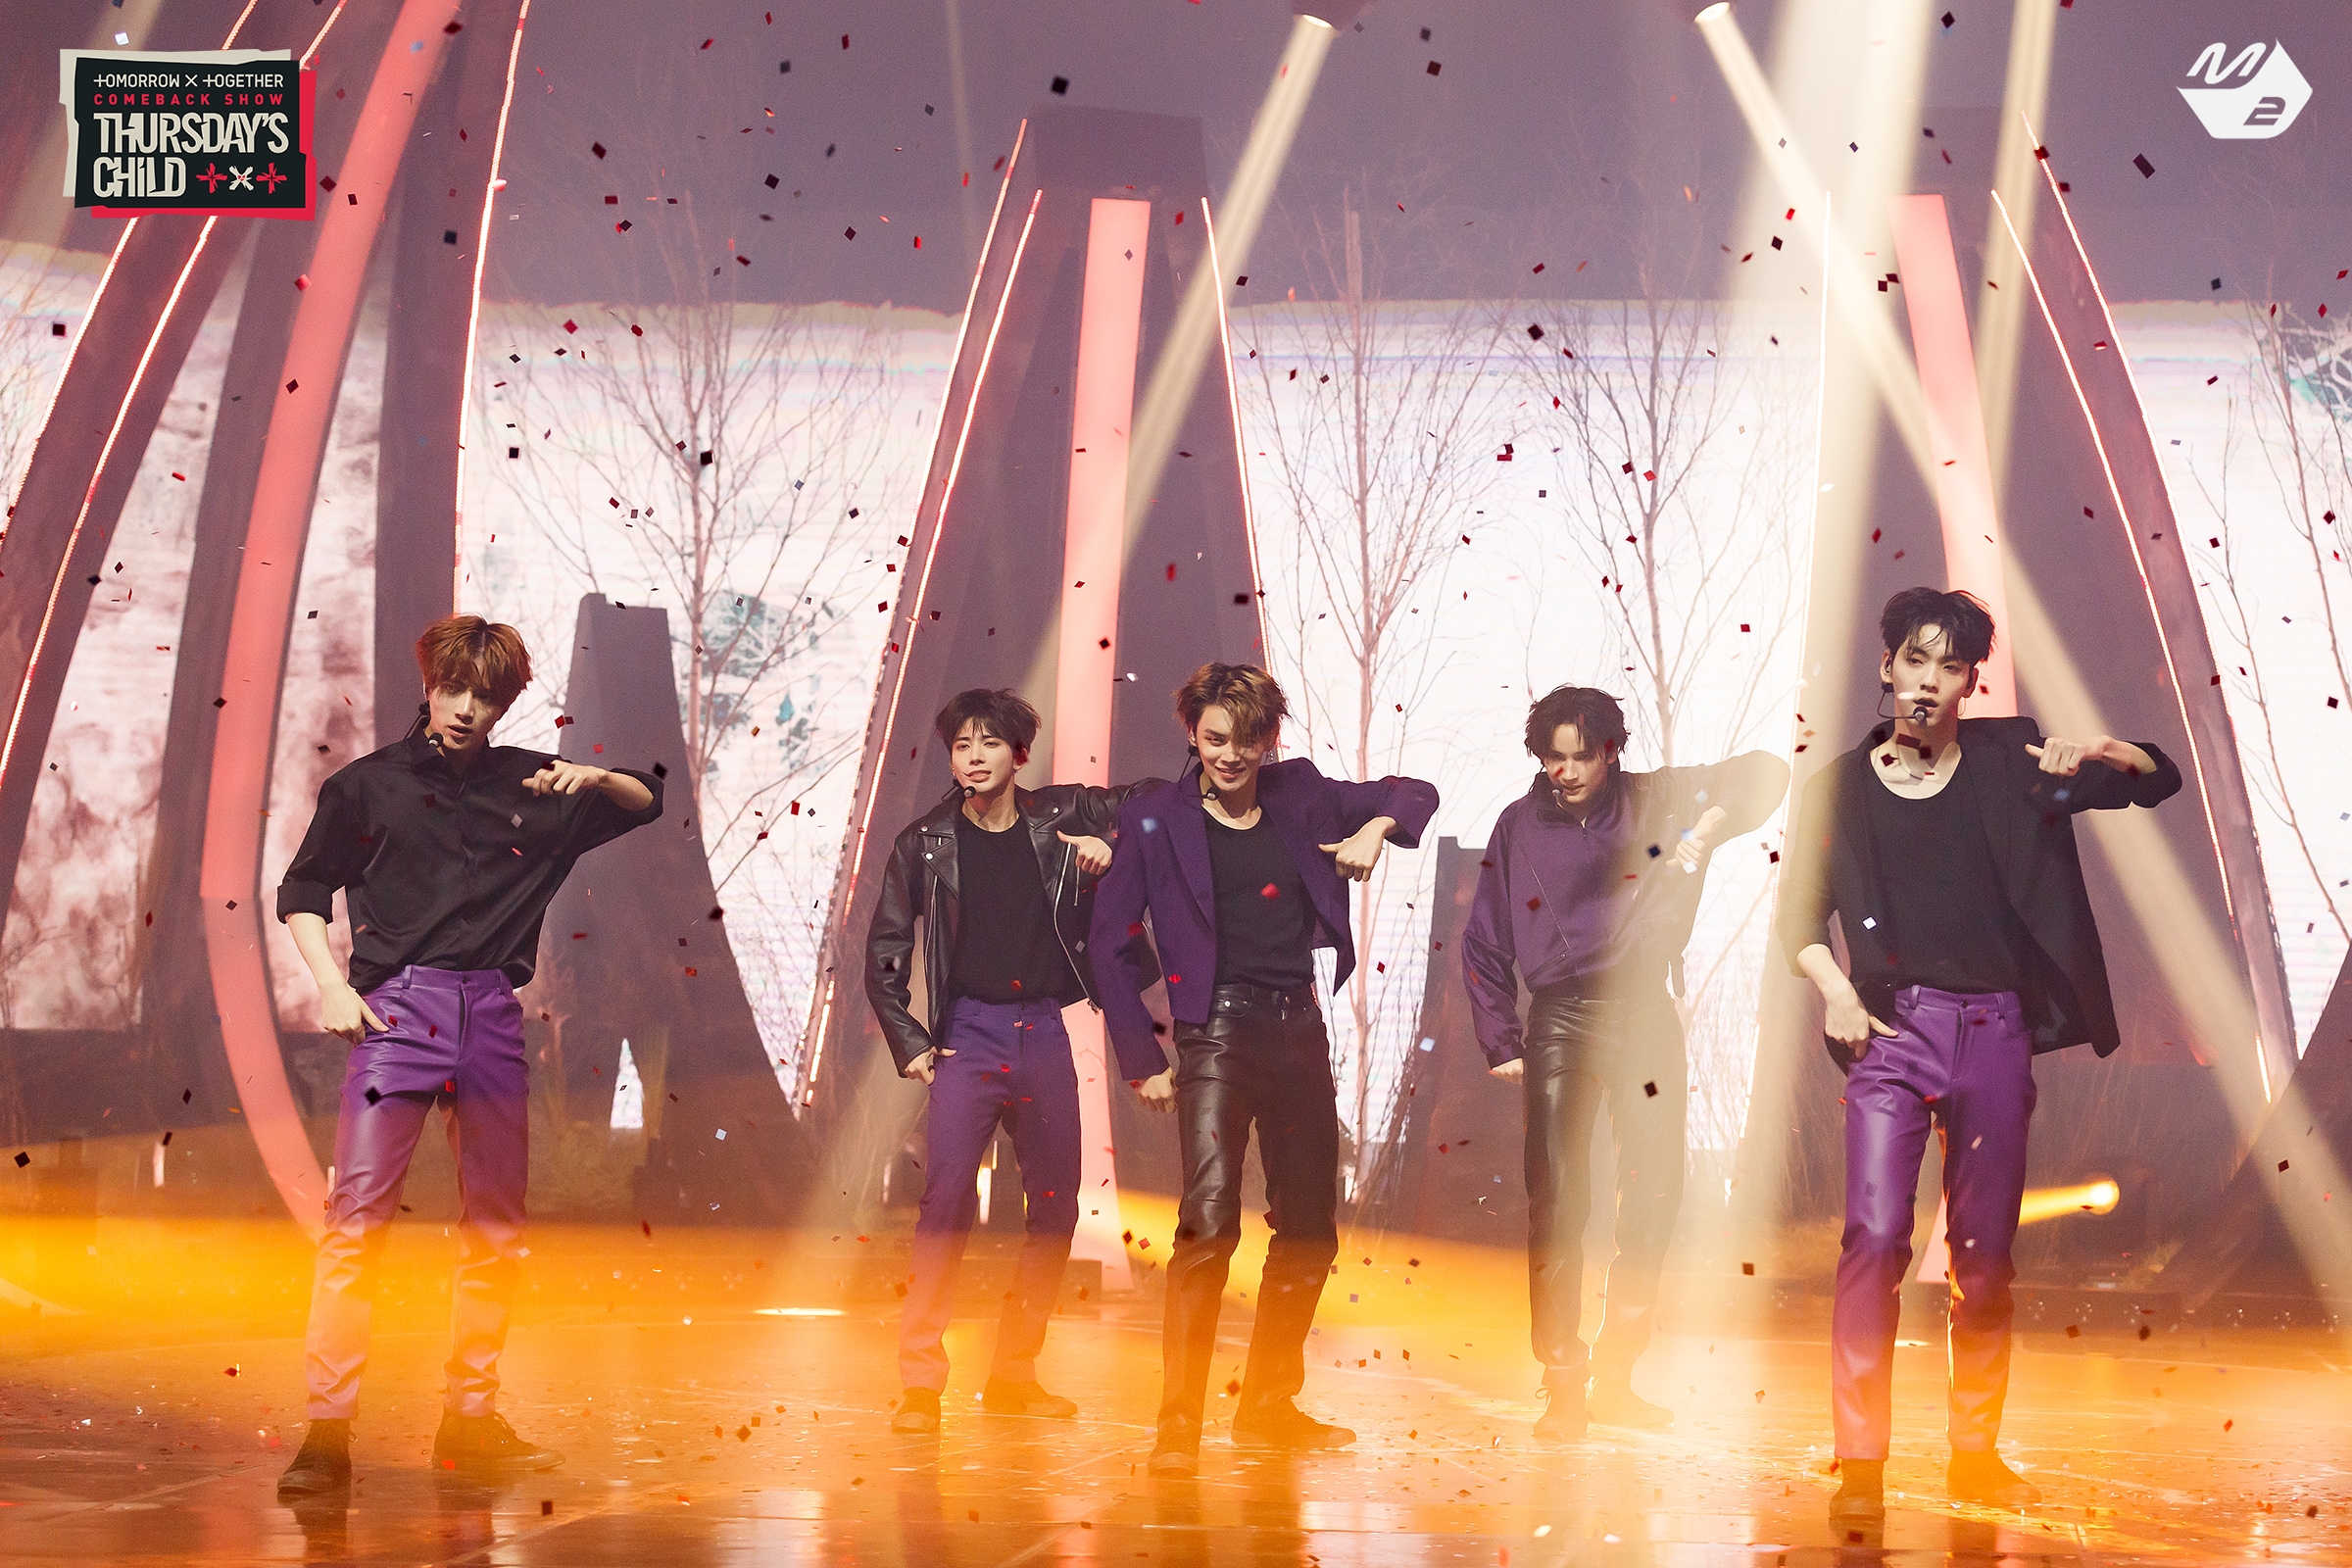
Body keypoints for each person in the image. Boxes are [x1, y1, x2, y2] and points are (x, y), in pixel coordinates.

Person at [1777, 588, 2180, 1525]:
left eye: (1950, 666)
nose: (1929, 681)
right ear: (1887, 668)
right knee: (1874, 1238)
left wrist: (2104, 752)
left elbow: (2154, 780)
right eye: (1915, 661)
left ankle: (1975, 1452)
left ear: (1969, 683)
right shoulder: (1836, 788)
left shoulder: (2013, 761)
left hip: (1995, 1033)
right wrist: (1836, 991)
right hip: (1891, 1033)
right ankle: (1861, 1462)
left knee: (1983, 1258)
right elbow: (1797, 920)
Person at [272, 615, 662, 1496]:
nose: (464, 709)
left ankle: (471, 1418)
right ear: (430, 683)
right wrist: (329, 983)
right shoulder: (367, 786)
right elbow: (303, 888)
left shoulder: (535, 783)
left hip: (490, 1013)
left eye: (484, 696)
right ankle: (328, 1431)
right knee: (356, 1222)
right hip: (395, 1013)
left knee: (495, 1225)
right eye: (453, 689)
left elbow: (649, 800)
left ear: (505, 702)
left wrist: (596, 775)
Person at [1090, 662, 1439, 1478]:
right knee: (1209, 1227)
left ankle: (1269, 1408)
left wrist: (1377, 827)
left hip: (1299, 1033)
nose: (1231, 755)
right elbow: (1107, 945)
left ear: (1269, 740)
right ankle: (1178, 1425)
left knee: (1310, 1232)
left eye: (1248, 740)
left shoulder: (1300, 792)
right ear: (1193, 734)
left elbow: (1415, 790)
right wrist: (1142, 1058)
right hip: (1214, 1037)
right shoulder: (1154, 816)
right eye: (1216, 738)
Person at [1461, 687, 1788, 1443]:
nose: (1568, 772)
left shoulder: (1658, 797)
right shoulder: (1518, 824)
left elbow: (1770, 772)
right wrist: (1500, 1038)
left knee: (1654, 1194)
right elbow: (1483, 941)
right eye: (1554, 758)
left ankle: (1617, 1372)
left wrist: (1709, 825)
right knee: (1558, 1201)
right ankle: (1562, 1381)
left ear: (1611, 751)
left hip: (1644, 1016)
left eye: (1583, 756)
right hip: (1561, 1021)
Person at [864, 688, 1157, 1434]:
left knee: (1056, 1207)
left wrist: (1115, 847)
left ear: (1020, 753)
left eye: (989, 743)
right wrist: (911, 1043)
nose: (973, 758)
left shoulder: (1062, 815)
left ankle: (1014, 1374)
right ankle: (920, 1383)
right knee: (944, 1204)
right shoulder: (923, 843)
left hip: (1046, 1031)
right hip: (968, 1034)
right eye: (961, 745)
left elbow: (1157, 801)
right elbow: (885, 950)